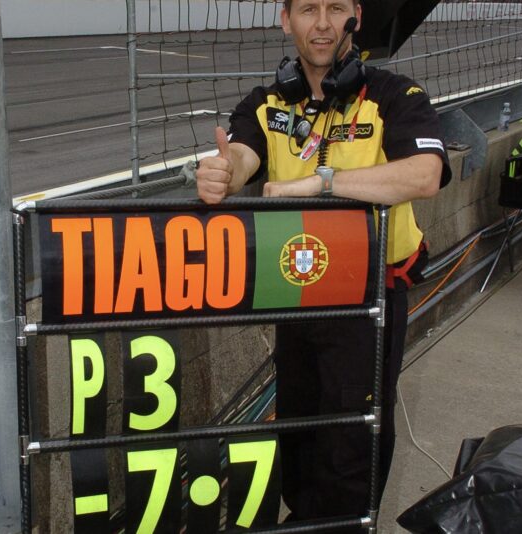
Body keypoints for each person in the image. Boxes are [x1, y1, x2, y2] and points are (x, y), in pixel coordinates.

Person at [196, 0, 452, 527]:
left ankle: (348, 523)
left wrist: (324, 183)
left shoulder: (392, 94)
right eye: (308, 9)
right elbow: (244, 154)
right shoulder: (267, 103)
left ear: (354, 16)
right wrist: (225, 171)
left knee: (353, 432)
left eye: (335, 8)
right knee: (299, 423)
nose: (321, 23)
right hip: (298, 290)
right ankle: (308, 517)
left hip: (369, 296)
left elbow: (426, 174)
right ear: (286, 19)